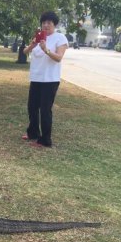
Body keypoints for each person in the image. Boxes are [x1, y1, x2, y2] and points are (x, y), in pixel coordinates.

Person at [22, 11, 69, 148]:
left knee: (45, 110)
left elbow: (58, 58)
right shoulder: (38, 37)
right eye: (43, 23)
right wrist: (33, 44)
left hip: (50, 80)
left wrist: (45, 49)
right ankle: (33, 133)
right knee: (32, 107)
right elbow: (25, 52)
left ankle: (45, 140)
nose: (46, 25)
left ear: (54, 24)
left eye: (49, 22)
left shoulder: (60, 38)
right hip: (36, 78)